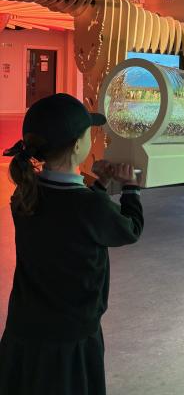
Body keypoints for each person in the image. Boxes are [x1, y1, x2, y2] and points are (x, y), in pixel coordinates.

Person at [0, 93, 144, 395]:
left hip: (25, 327)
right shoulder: (89, 206)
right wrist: (131, 188)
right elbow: (129, 230)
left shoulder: (24, 194)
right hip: (71, 337)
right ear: (78, 146)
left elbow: (69, 220)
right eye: (89, 134)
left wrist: (100, 185)